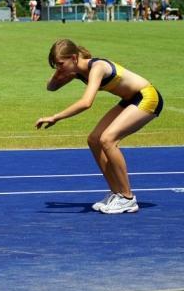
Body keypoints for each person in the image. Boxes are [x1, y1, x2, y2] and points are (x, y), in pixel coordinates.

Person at [36, 39, 163, 214]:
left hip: (147, 97)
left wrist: (56, 117)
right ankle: (116, 193)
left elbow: (86, 102)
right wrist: (58, 74)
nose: (59, 68)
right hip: (129, 100)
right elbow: (51, 88)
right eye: (55, 65)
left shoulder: (97, 67)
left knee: (108, 139)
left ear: (73, 57)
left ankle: (127, 198)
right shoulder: (75, 71)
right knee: (94, 140)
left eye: (60, 64)